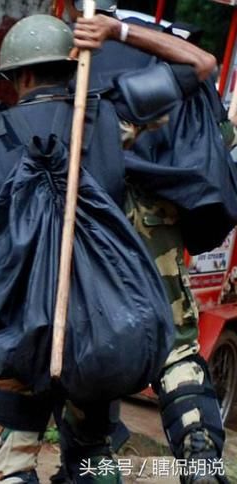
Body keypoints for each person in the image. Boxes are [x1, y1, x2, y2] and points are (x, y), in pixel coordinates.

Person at [0, 10, 217, 483]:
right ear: (71, 66)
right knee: (91, 443)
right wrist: (118, 31)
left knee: (13, 452)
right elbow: (200, 65)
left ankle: (16, 469)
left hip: (21, 329)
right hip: (103, 321)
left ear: (19, 75)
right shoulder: (110, 116)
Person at [68, 2, 227, 482]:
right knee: (177, 354)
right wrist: (122, 32)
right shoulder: (144, 80)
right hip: (151, 226)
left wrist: (116, 30)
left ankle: (93, 468)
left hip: (90, 241)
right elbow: (201, 68)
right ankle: (199, 459)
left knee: (90, 351)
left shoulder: (75, 73)